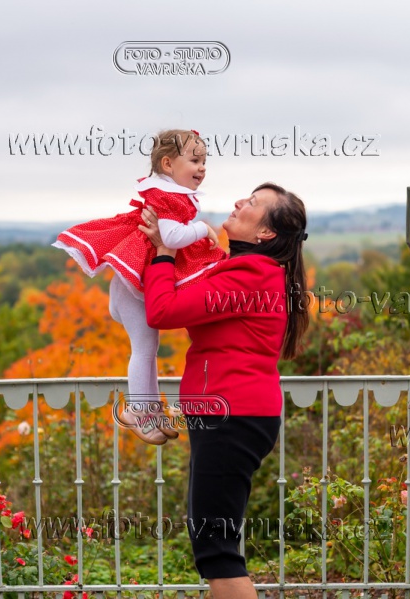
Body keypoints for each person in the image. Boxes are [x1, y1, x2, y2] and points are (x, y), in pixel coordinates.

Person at [138, 182, 308, 599]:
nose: (238, 202)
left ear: (266, 232)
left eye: (252, 203)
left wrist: (164, 254)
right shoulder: (248, 269)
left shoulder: (250, 275)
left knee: (217, 552)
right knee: (215, 547)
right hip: (230, 415)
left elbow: (163, 310)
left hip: (232, 416)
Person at [52, 129, 225, 445]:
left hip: (134, 285)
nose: (202, 168)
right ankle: (138, 411)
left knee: (148, 349)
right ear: (168, 164)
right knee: (144, 350)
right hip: (132, 288)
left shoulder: (167, 193)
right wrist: (203, 229)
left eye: (204, 162)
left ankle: (150, 410)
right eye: (195, 161)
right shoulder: (167, 197)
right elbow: (170, 238)